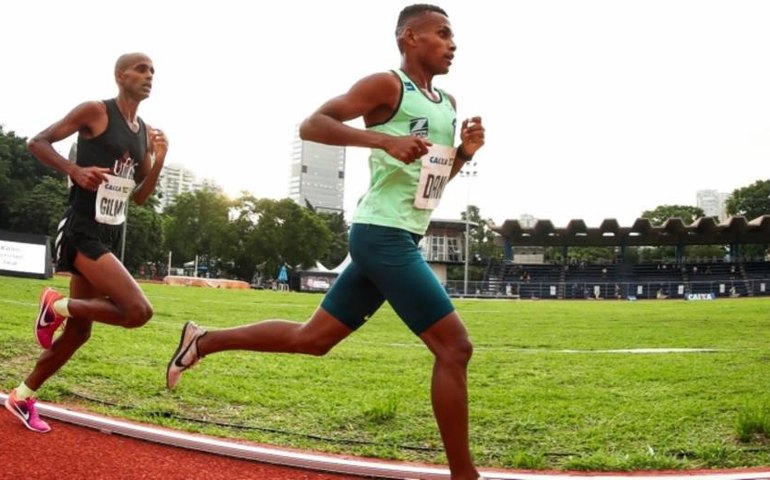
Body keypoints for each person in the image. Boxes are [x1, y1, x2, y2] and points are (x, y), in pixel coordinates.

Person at [166, 5, 485, 479]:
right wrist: (382, 142)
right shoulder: (387, 86)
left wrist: (462, 154)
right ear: (410, 38)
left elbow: (431, 185)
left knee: (312, 339)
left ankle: (203, 340)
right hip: (381, 234)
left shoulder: (448, 104)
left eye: (453, 36)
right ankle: (465, 475)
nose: (453, 43)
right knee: (454, 349)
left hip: (402, 234)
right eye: (443, 34)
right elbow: (312, 124)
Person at [4, 52, 168, 433]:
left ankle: (22, 395)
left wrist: (159, 160)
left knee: (79, 332)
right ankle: (55, 304)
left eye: (153, 71)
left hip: (108, 231)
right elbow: (37, 142)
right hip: (81, 229)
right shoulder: (96, 111)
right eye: (141, 69)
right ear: (120, 75)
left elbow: (139, 197)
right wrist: (74, 170)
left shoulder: (142, 131)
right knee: (137, 311)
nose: (149, 76)